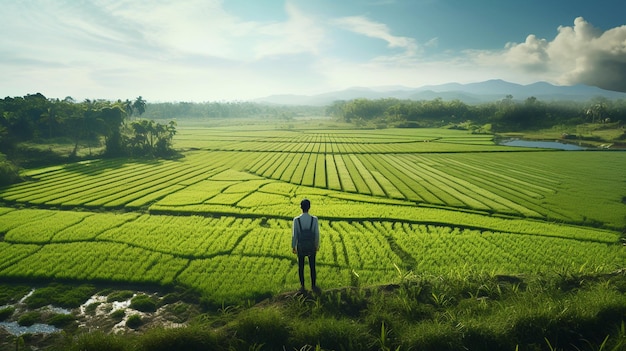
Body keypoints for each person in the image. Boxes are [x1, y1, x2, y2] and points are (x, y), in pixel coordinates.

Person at [292, 198, 320, 292]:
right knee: (312, 266)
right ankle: (313, 285)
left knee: (301, 266)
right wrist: (316, 245)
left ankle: (302, 286)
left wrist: (293, 246)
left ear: (301, 207)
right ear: (309, 207)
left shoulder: (296, 220)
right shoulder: (314, 219)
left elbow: (294, 234)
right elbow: (317, 234)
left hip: (300, 246)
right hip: (311, 246)